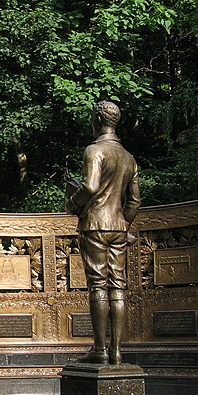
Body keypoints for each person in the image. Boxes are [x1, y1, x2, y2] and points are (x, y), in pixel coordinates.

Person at [66, 101, 140, 364]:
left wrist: (72, 202)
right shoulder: (128, 158)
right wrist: (123, 221)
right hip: (118, 227)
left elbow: (90, 186)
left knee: (98, 285)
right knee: (118, 286)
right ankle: (117, 352)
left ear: (98, 119)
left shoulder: (94, 151)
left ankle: (99, 350)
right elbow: (134, 201)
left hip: (96, 224)